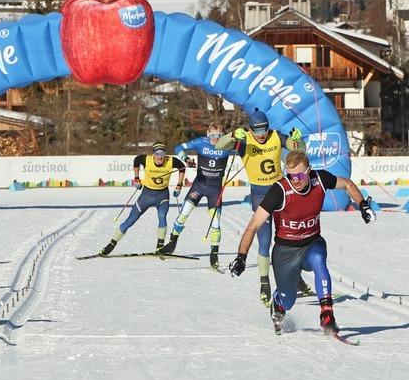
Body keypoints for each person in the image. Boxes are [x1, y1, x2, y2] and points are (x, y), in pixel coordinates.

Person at [229, 150, 376, 335]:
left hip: (311, 243)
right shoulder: (279, 191)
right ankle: (278, 302)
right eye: (291, 176)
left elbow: (346, 183)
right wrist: (241, 257)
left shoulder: (320, 179)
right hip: (285, 251)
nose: (295, 180)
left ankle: (327, 313)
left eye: (299, 175)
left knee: (318, 259)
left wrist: (363, 205)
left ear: (309, 170)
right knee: (288, 300)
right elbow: (253, 226)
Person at [216, 108, 311, 305]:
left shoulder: (275, 136)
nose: (261, 135)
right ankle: (264, 283)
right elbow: (219, 146)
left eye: (264, 130)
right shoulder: (244, 141)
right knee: (264, 241)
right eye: (257, 131)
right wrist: (232, 135)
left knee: (290, 238)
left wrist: (299, 139)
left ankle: (297, 279)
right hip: (260, 195)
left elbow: (300, 150)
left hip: (281, 190)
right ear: (250, 129)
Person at [159, 123, 234, 268]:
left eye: (219, 136)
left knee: (216, 223)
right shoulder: (201, 142)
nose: (215, 139)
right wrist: (186, 160)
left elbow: (245, 147)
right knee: (183, 214)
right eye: (212, 135)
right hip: (199, 186)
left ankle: (214, 255)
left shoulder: (228, 144)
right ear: (207, 134)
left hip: (215, 190)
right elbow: (178, 148)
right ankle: (172, 243)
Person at [100, 142, 186, 256]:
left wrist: (179, 185)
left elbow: (182, 167)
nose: (160, 156)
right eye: (157, 153)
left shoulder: (170, 161)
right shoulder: (146, 160)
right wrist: (136, 178)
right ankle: (111, 244)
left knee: (162, 216)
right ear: (153, 154)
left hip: (162, 195)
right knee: (130, 221)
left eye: (162, 153)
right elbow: (136, 161)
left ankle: (160, 247)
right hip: (146, 195)